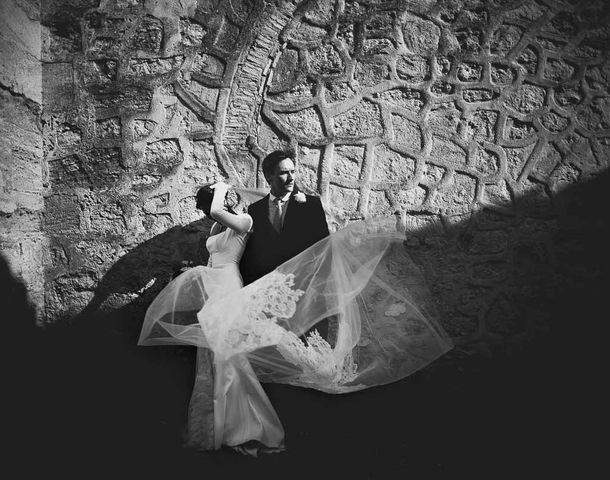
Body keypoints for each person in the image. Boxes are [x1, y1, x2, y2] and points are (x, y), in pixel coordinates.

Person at [139, 177, 453, 455]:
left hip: (228, 286)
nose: (209, 210)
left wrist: (222, 189)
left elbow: (221, 211)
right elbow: (214, 239)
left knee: (228, 356)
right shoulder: (216, 227)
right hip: (213, 285)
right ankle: (217, 425)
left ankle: (248, 427)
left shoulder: (244, 221)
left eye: (210, 204)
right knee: (213, 357)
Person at [239, 150, 331, 340]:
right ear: (268, 176)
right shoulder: (255, 210)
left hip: (305, 294)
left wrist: (318, 289)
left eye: (293, 171)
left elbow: (324, 247)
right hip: (270, 297)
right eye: (283, 173)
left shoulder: (311, 205)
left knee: (310, 352)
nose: (291, 178)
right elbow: (252, 255)